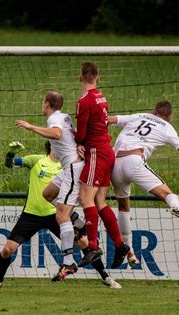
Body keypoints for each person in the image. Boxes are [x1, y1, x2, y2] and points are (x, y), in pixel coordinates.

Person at [0, 141, 120, 289]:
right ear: (53, 145)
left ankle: (106, 277)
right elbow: (10, 164)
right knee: (7, 250)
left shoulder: (69, 166)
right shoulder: (36, 160)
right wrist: (11, 153)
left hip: (56, 215)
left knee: (84, 243)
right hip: (31, 215)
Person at [109, 100, 179, 264]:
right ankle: (175, 207)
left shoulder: (138, 116)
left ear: (154, 111)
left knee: (123, 207)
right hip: (134, 161)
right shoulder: (167, 128)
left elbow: (109, 119)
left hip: (115, 164)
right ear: (170, 116)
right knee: (167, 194)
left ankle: (130, 252)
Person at [16, 91, 84, 281]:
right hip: (68, 167)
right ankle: (77, 222)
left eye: (42, 102)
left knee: (61, 215)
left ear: (46, 104)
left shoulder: (54, 118)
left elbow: (56, 133)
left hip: (72, 168)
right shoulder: (64, 116)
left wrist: (30, 127)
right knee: (48, 193)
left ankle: (69, 261)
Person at [74, 62, 129, 268]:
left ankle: (94, 245)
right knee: (100, 201)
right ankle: (119, 243)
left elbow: (81, 133)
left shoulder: (84, 101)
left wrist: (77, 142)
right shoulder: (101, 97)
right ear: (98, 77)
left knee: (84, 198)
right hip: (107, 151)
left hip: (96, 152)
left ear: (80, 77)